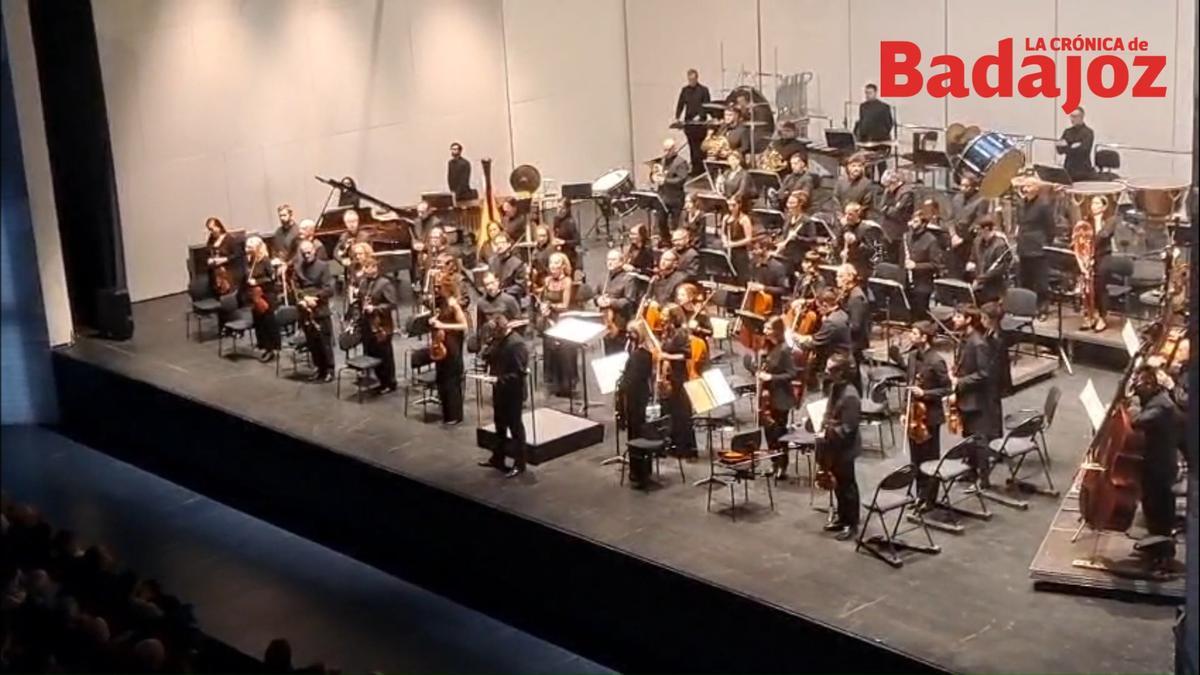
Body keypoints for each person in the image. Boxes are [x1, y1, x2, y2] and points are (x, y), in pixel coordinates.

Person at [1129, 363, 1182, 560]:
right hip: (1155, 463)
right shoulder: (1155, 399)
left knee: (1160, 512)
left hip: (1160, 468)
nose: (1136, 389)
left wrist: (1127, 407)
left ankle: (1164, 554)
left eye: (1139, 384)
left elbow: (1137, 422)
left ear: (1151, 385)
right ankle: (1155, 547)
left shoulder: (1161, 406)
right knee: (1152, 508)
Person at [949, 305, 998, 486]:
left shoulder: (978, 343)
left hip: (978, 400)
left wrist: (959, 382)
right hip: (967, 397)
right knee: (968, 436)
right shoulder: (965, 339)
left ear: (969, 320)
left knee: (979, 440)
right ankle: (971, 471)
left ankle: (984, 479)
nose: (954, 319)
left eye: (958, 316)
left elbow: (984, 374)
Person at [904, 321, 951, 506]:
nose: (911, 336)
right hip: (914, 415)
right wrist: (904, 410)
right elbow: (908, 385)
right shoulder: (913, 356)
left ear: (925, 337)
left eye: (914, 333)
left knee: (929, 458)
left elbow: (947, 389)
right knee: (915, 458)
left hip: (930, 417)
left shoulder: (936, 360)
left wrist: (925, 394)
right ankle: (919, 495)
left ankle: (930, 498)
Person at [818, 352, 862, 540]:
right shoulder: (836, 387)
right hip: (833, 447)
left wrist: (827, 431)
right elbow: (830, 412)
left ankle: (851, 524)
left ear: (840, 373)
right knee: (837, 484)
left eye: (830, 369)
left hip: (845, 448)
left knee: (847, 487)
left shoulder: (851, 396)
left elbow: (848, 428)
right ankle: (842, 517)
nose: (826, 372)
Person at [480, 314, 530, 478]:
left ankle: (520, 463)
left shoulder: (517, 344)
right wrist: (486, 352)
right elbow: (491, 356)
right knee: (499, 425)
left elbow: (519, 373)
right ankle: (498, 458)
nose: (493, 337)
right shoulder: (498, 339)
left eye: (495, 335)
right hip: (499, 388)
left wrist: (498, 379)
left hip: (513, 392)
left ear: (503, 330)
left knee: (515, 427)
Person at [758, 316, 798, 479]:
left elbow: (792, 374)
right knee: (769, 433)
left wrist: (771, 378)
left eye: (768, 328)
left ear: (777, 330)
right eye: (765, 328)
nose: (765, 331)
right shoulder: (768, 347)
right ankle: (774, 463)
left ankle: (783, 466)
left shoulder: (784, 349)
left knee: (779, 433)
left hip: (781, 398)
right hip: (768, 398)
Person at [430, 266, 468, 425]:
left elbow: (464, 326)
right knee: (442, 378)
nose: (437, 290)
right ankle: (446, 412)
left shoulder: (454, 304)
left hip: (452, 344)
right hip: (441, 343)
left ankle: (455, 415)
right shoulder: (440, 302)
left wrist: (442, 325)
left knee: (452, 380)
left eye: (439, 287)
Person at [292, 239, 335, 382]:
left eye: (309, 252)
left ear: (314, 251)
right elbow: (296, 288)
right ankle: (319, 368)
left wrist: (314, 298)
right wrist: (304, 299)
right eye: (303, 253)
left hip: (320, 309)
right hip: (305, 309)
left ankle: (329, 369)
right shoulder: (298, 267)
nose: (306, 255)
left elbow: (329, 289)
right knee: (312, 341)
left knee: (324, 342)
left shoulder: (323, 266)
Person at [658, 304, 697, 458]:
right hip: (670, 376)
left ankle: (685, 448)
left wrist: (667, 357)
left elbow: (685, 355)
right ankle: (672, 444)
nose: (662, 319)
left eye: (665, 316)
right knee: (671, 411)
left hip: (680, 377)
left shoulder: (681, 333)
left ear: (674, 317)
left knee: (682, 413)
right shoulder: (668, 331)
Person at [539, 252, 577, 398]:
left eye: (556, 263)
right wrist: (543, 307)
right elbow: (543, 298)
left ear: (562, 266)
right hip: (549, 321)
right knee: (550, 353)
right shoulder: (547, 281)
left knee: (564, 354)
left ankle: (566, 385)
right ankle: (553, 384)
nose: (553, 266)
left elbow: (565, 305)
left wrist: (550, 306)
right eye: (551, 263)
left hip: (562, 319)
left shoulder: (567, 281)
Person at [356, 258, 398, 394]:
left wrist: (375, 308)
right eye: (364, 267)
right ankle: (379, 379)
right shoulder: (363, 283)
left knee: (384, 355)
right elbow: (360, 300)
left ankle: (389, 382)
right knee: (372, 352)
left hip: (382, 325)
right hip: (367, 324)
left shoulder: (384, 283)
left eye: (368, 267)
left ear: (375, 268)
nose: (365, 270)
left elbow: (392, 304)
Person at [1014, 180, 1055, 314]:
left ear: (1037, 188)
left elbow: (1050, 227)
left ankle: (1042, 307)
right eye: (1024, 186)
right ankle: (1027, 307)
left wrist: (1046, 244)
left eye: (1029, 186)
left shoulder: (1044, 205)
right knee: (1025, 279)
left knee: (1040, 281)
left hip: (1038, 248)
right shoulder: (1020, 204)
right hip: (1023, 246)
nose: (1025, 189)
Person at [243, 236, 281, 363]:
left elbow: (272, 278)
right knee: (259, 322)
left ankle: (271, 348)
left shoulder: (265, 260)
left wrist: (257, 281)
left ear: (256, 248)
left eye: (249, 247)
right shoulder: (250, 260)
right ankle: (263, 345)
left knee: (268, 322)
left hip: (266, 295)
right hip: (255, 296)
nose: (246, 249)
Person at [1084, 195, 1118, 332]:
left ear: (1104, 207)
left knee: (1099, 285)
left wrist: (1091, 237)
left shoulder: (1111, 220)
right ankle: (1092, 315)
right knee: (1088, 287)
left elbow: (1103, 235)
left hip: (1103, 256)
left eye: (1097, 203)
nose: (1093, 206)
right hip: (1089, 256)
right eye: (1092, 203)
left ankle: (1102, 317)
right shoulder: (1087, 220)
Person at [617, 320, 655, 441]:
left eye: (631, 333)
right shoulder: (643, 351)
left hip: (636, 394)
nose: (628, 336)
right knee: (638, 423)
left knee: (636, 425)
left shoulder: (639, 355)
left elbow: (633, 378)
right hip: (641, 391)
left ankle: (637, 455)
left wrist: (622, 384)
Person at [904, 210, 944, 321]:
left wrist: (915, 266)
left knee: (921, 314)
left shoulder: (931, 240)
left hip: (923, 284)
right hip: (908, 281)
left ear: (924, 224)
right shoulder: (908, 236)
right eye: (912, 220)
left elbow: (936, 265)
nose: (912, 224)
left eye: (916, 221)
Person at [596, 249, 639, 354]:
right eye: (608, 259)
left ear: (621, 262)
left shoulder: (629, 278)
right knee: (608, 353)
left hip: (621, 323)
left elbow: (630, 301)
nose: (610, 262)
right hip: (606, 322)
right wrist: (598, 300)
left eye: (613, 259)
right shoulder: (603, 277)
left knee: (620, 353)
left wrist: (611, 302)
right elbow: (596, 294)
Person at [947, 176, 989, 279]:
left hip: (970, 240)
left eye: (966, 186)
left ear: (974, 187)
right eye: (961, 185)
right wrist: (953, 235)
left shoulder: (982, 199)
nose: (963, 188)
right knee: (953, 272)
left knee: (968, 273)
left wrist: (963, 238)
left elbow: (978, 222)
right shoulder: (957, 198)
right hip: (955, 238)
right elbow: (950, 219)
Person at [675, 68, 712, 176]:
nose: (691, 81)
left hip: (700, 125)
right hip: (689, 124)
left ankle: (702, 169)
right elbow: (680, 104)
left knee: (700, 148)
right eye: (689, 79)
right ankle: (695, 169)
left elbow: (707, 105)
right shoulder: (685, 90)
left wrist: (700, 116)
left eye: (693, 79)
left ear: (697, 78)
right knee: (692, 147)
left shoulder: (704, 90)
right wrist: (677, 117)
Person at [474, 271, 522, 354]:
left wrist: (506, 326)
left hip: (509, 342)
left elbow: (520, 322)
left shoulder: (509, 300)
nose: (490, 287)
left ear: (497, 281)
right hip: (491, 343)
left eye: (492, 283)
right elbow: (479, 327)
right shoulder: (481, 303)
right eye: (487, 285)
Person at [967, 217, 1011, 305]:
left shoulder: (1000, 245)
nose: (977, 232)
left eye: (978, 229)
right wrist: (971, 268)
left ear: (986, 229)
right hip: (978, 287)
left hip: (993, 289)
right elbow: (973, 259)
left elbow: (1000, 269)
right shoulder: (977, 242)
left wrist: (981, 279)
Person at [839, 264, 870, 379]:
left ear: (849, 278)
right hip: (849, 339)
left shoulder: (856, 298)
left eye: (840, 276)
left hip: (854, 342)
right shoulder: (849, 293)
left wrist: (838, 326)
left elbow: (855, 325)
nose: (837, 279)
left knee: (852, 375)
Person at [879, 169, 915, 263]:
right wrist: (887, 209)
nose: (887, 188)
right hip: (887, 231)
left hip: (899, 231)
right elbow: (881, 207)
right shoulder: (888, 191)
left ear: (895, 182)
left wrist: (887, 209)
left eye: (888, 185)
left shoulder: (906, 193)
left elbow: (897, 212)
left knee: (896, 258)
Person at [839, 202, 879, 285]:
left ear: (858, 214)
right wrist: (841, 251)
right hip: (846, 264)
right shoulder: (845, 227)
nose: (846, 217)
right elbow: (837, 243)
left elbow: (870, 250)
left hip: (861, 266)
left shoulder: (867, 229)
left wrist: (855, 242)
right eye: (845, 214)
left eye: (850, 214)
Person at [656, 138, 690, 232]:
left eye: (668, 150)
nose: (666, 152)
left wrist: (665, 181)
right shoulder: (662, 161)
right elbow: (657, 173)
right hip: (663, 196)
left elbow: (681, 179)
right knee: (661, 221)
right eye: (664, 150)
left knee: (675, 224)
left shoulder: (681, 162)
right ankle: (665, 240)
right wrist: (654, 177)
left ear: (674, 149)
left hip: (675, 198)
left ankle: (675, 241)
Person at [747, 236, 790, 311]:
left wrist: (764, 288)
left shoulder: (778, 267)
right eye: (752, 250)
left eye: (756, 249)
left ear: (765, 249)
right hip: (755, 304)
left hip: (771, 308)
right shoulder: (753, 264)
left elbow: (784, 290)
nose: (753, 252)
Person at [980, 301, 1012, 400]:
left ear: (993, 320)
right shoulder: (989, 333)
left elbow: (995, 366)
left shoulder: (998, 340)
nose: (981, 321)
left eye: (984, 318)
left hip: (997, 383)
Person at [1055, 106, 1095, 181]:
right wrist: (1072, 147)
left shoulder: (1088, 132)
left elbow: (1084, 151)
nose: (1072, 119)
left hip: (1083, 170)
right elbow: (1059, 149)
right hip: (1068, 169)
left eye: (1075, 116)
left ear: (1081, 117)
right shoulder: (1067, 132)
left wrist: (1067, 147)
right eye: (1071, 116)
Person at [485, 233, 527, 300]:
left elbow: (521, 286)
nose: (499, 246)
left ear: (508, 244)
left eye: (502, 243)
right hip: (494, 298)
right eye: (496, 244)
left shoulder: (517, 263)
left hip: (511, 298)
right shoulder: (491, 262)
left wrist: (503, 292)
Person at [721, 195, 754, 279]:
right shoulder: (726, 218)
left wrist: (733, 244)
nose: (731, 208)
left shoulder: (744, 219)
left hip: (740, 253)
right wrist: (724, 241)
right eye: (729, 205)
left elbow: (748, 239)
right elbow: (723, 233)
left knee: (740, 277)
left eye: (734, 205)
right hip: (728, 251)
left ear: (739, 205)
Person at [204, 217, 237, 298]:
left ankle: (226, 292)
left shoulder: (229, 239)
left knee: (222, 271)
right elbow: (208, 252)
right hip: (215, 268)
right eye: (209, 230)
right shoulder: (211, 240)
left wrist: (224, 259)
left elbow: (236, 256)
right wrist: (210, 259)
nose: (211, 232)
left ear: (218, 227)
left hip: (228, 266)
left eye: (212, 229)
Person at [552, 199, 581, 273]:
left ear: (567, 209)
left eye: (562, 208)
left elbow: (577, 241)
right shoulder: (556, 219)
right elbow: (556, 233)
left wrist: (564, 242)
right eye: (558, 207)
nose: (559, 210)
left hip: (569, 256)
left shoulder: (570, 223)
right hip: (558, 254)